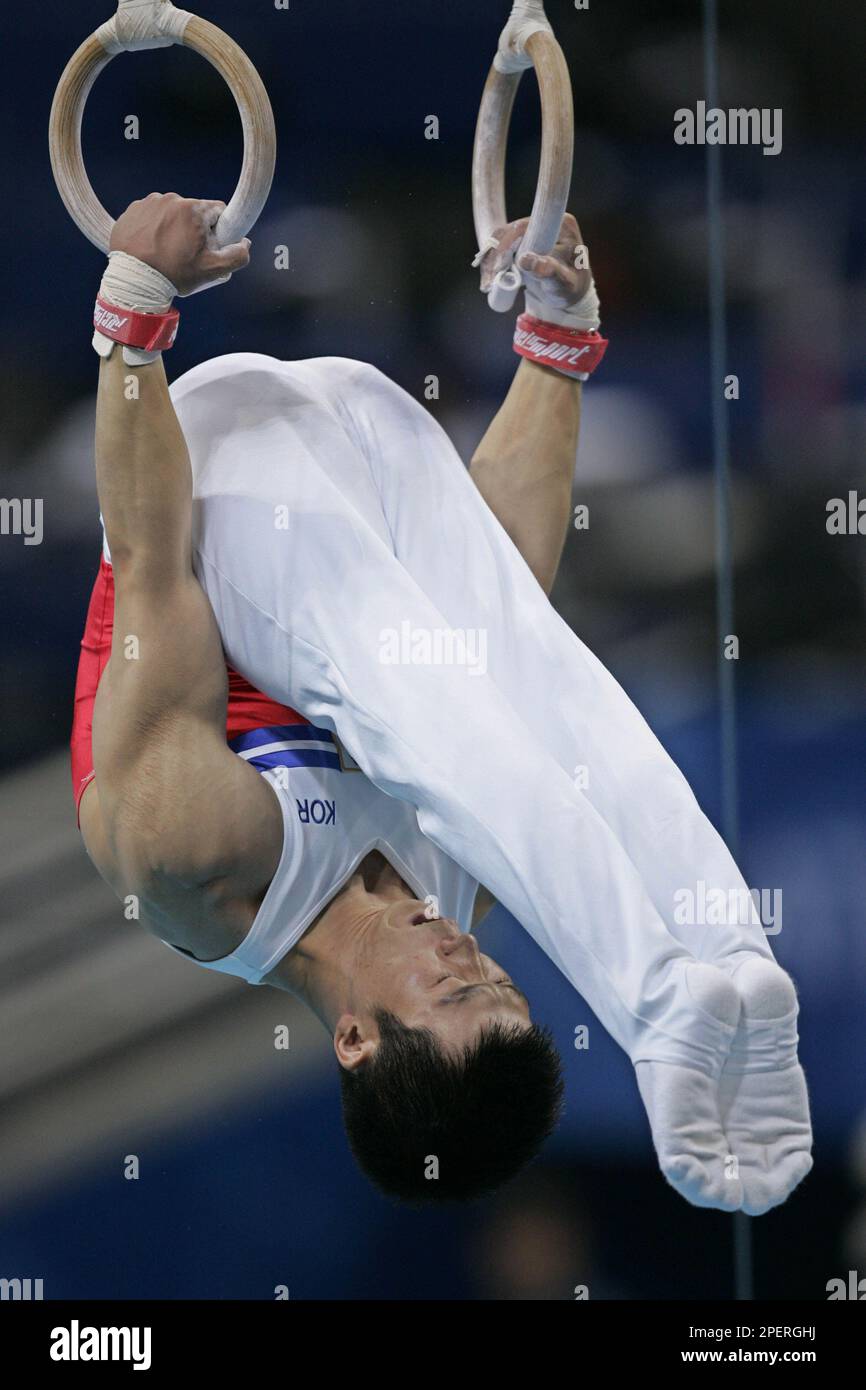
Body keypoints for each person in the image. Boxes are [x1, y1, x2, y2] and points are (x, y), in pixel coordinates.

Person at [71, 192, 812, 1211]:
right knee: (523, 681)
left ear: (354, 1037)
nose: (467, 952)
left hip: (224, 468)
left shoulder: (191, 855)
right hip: (377, 435)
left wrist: (133, 311)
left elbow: (150, 559)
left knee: (419, 692)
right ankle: (726, 957)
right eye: (497, 980)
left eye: (455, 989)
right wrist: (556, 346)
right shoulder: (475, 869)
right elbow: (499, 594)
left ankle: (657, 1006)